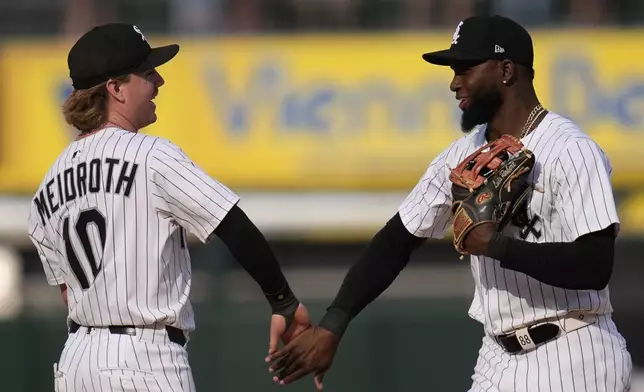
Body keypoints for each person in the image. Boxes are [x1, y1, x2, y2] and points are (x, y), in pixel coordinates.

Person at [265, 15, 632, 392]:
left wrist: (495, 245)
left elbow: (596, 264)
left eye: (466, 68)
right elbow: (395, 242)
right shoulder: (461, 157)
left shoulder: (572, 150)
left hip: (573, 348)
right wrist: (333, 325)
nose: (454, 83)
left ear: (506, 70)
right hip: (497, 357)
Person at [27, 23, 310, 392]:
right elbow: (233, 225)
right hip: (143, 359)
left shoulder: (46, 187)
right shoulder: (153, 157)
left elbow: (71, 293)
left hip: (76, 362)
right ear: (115, 88)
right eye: (146, 73)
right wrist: (284, 302)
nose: (159, 80)